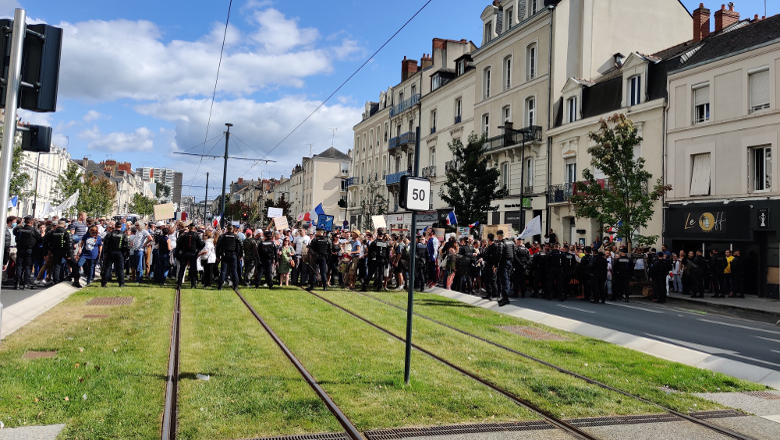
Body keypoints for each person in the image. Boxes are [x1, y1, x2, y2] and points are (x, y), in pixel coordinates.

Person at [43, 220, 78, 284]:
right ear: (64, 225)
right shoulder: (67, 232)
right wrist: (69, 255)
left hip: (55, 250)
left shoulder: (52, 232)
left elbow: (45, 242)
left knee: (57, 265)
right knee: (74, 264)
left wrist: (46, 252)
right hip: (65, 251)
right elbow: (69, 244)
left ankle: (56, 280)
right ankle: (75, 279)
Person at [13, 216, 42, 290]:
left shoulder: (19, 229)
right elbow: (40, 240)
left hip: (20, 249)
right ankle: (26, 284)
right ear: (32, 222)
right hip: (30, 250)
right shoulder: (34, 230)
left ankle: (17, 283)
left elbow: (15, 232)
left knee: (19, 266)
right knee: (28, 267)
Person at [175, 224, 205, 289]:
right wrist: (198, 250)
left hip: (185, 253)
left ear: (188, 228)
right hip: (193, 254)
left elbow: (178, 244)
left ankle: (179, 283)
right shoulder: (196, 235)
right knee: (193, 269)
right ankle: (193, 284)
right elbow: (202, 244)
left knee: (182, 269)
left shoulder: (184, 235)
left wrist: (178, 253)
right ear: (194, 228)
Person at [101, 222, 129, 287]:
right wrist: (126, 254)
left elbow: (105, 244)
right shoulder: (123, 235)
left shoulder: (109, 234)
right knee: (120, 268)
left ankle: (104, 283)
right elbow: (126, 245)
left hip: (110, 252)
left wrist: (106, 252)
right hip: (119, 253)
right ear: (121, 227)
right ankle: (121, 283)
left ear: (115, 226)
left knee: (107, 268)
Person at [216, 224, 242, 291]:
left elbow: (218, 246)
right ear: (233, 229)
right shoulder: (236, 237)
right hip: (233, 255)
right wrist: (240, 255)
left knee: (223, 270)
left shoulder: (222, 236)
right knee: (234, 271)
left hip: (225, 255)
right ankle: (235, 286)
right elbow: (241, 245)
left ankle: (220, 286)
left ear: (227, 229)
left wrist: (218, 255)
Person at [495, 230, 514, 307]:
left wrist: (495, 265)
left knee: (504, 280)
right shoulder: (511, 242)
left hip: (503, 263)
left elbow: (498, 255)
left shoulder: (501, 243)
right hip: (510, 263)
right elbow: (514, 253)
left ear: (499, 237)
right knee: (507, 280)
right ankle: (505, 297)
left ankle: (505, 298)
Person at [481, 233, 499, 301]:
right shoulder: (489, 247)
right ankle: (489, 294)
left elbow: (495, 257)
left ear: (489, 239)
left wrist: (495, 265)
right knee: (486, 280)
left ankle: (495, 295)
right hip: (487, 265)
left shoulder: (495, 247)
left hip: (492, 265)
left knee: (492, 280)